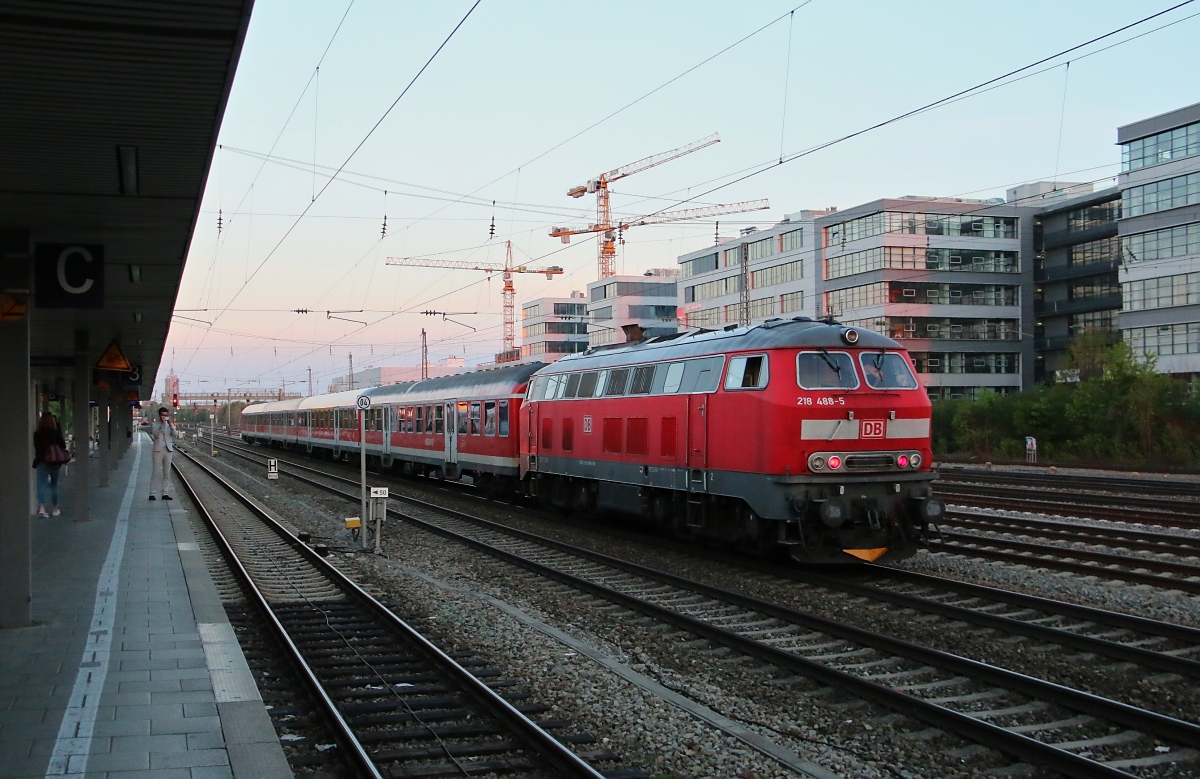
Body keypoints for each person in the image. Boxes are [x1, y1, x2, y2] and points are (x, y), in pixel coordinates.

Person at [33, 412, 67, 517]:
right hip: (54, 462)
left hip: (42, 461)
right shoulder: (55, 432)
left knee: (41, 485)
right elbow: (63, 445)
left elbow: (37, 449)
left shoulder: (37, 434)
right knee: (54, 485)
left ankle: (42, 508)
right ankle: (55, 508)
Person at [148, 406, 177, 501]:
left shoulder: (170, 425)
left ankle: (165, 493)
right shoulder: (155, 424)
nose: (164, 417)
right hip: (158, 450)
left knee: (167, 473)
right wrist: (162, 425)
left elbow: (175, 434)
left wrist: (170, 425)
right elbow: (155, 434)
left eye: (166, 415)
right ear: (159, 415)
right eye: (163, 415)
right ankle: (152, 493)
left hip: (168, 450)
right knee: (156, 472)